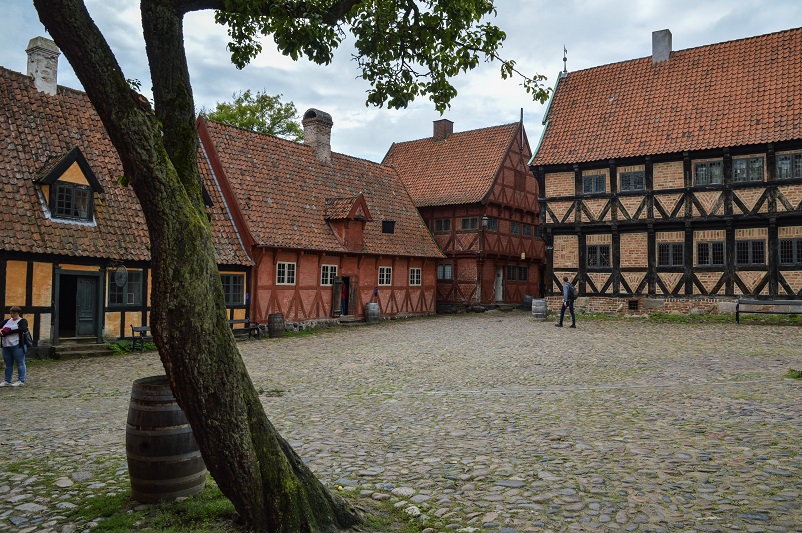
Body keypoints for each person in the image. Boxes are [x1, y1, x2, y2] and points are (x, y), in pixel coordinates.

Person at [1, 306, 28, 387]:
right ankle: (7, 380)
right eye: (11, 313)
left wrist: (8, 331)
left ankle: (21, 380)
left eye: (14, 313)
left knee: (20, 362)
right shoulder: (6, 321)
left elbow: (23, 329)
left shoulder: (22, 321)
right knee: (8, 363)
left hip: (17, 345)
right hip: (6, 345)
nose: (12, 315)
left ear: (18, 313)